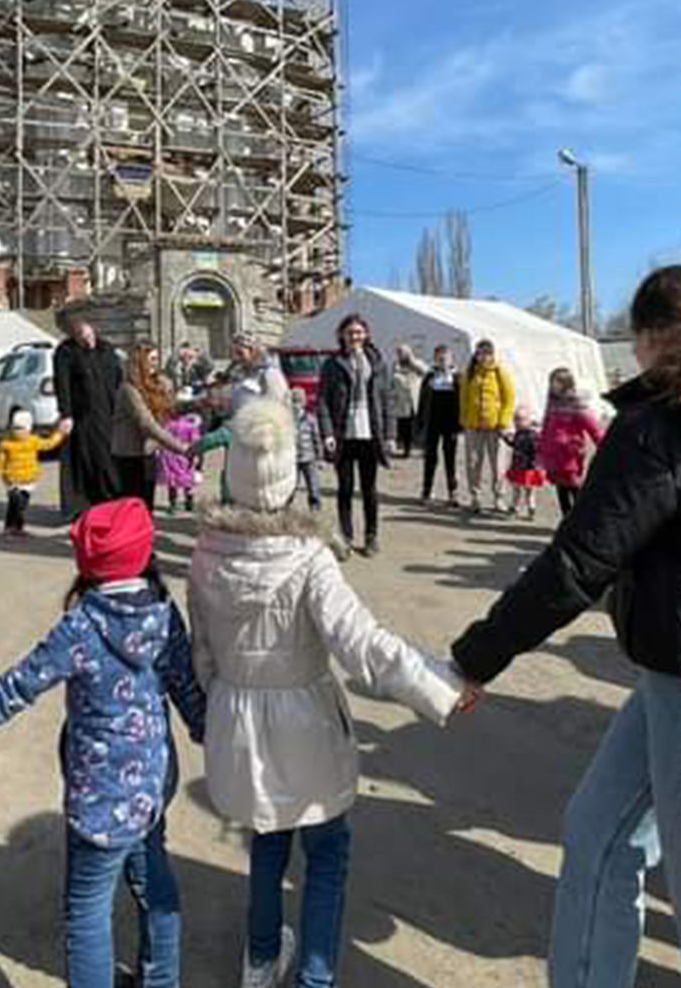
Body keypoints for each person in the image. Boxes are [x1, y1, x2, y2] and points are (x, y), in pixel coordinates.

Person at [451, 266, 681, 988]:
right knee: (599, 837)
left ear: (650, 336)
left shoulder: (665, 425)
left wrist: (475, 658)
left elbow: (577, 562)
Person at [187, 401, 462, 988]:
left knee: (266, 839)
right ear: (289, 474)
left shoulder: (205, 554)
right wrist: (438, 685)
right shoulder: (309, 556)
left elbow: (202, 652)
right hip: (305, 719)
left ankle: (260, 959)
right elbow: (362, 645)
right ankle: (314, 977)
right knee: (327, 852)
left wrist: (219, 706)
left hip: (239, 712)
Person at [0, 498, 206, 988]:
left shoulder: (82, 626)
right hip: (153, 783)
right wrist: (216, 735)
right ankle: (163, 980)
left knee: (87, 910)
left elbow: (14, 689)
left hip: (98, 794)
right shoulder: (163, 612)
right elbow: (190, 694)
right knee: (152, 877)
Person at [315, 313, 395, 558]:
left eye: (359, 332)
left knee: (369, 489)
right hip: (343, 434)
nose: (355, 337)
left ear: (366, 334)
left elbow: (387, 400)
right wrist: (327, 432)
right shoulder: (332, 364)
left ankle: (371, 536)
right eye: (350, 332)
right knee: (345, 488)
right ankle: (346, 538)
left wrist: (390, 434)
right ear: (342, 335)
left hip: (370, 434)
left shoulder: (378, 363)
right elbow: (323, 402)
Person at [54, 312, 127, 514]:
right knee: (86, 457)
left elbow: (119, 379)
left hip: (109, 411)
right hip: (83, 415)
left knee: (109, 456)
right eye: (81, 336)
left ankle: (110, 497)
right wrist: (66, 414)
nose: (87, 340)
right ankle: (83, 503)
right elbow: (62, 384)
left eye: (89, 335)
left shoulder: (107, 349)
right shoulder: (66, 351)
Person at [114, 342, 191, 510]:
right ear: (139, 361)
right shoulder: (129, 389)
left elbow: (171, 408)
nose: (156, 364)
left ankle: (143, 534)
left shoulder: (153, 385)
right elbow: (147, 424)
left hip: (147, 453)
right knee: (132, 506)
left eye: (157, 359)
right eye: (152, 359)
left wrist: (201, 403)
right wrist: (181, 447)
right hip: (129, 455)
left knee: (146, 504)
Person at [0, 410, 67, 536]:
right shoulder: (5, 444)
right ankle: (10, 527)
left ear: (29, 429)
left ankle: (17, 527)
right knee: (15, 502)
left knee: (21, 505)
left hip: (28, 480)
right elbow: (0, 461)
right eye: (15, 428)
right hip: (12, 480)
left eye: (21, 428)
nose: (18, 432)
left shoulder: (33, 441)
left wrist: (60, 434)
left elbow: (49, 444)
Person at [459, 339, 516, 514]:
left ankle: (499, 497)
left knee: (498, 464)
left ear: (492, 354)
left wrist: (504, 421)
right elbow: (464, 398)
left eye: (486, 353)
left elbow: (509, 398)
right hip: (473, 426)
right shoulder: (469, 373)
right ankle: (475, 497)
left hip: (495, 426)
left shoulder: (500, 372)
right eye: (480, 353)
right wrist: (464, 419)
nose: (483, 357)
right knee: (473, 462)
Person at [539, 367, 605, 517]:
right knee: (560, 487)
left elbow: (593, 428)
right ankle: (566, 518)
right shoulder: (552, 403)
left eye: (556, 383)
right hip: (553, 454)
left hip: (571, 454)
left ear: (566, 384)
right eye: (551, 383)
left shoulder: (576, 404)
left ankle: (581, 518)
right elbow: (546, 426)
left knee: (574, 485)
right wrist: (541, 449)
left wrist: (604, 446)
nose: (552, 386)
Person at [415, 344, 462, 505]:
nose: (442, 361)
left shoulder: (458, 377)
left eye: (445, 358)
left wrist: (461, 425)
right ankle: (427, 491)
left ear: (451, 359)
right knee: (430, 459)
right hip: (432, 424)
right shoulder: (429, 377)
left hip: (451, 425)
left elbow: (463, 402)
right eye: (439, 358)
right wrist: (420, 423)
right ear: (435, 359)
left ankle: (452, 493)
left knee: (451, 460)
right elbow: (422, 401)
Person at [502, 405, 546, 521]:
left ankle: (531, 508)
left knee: (529, 491)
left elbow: (537, 452)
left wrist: (536, 464)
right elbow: (514, 445)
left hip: (528, 468)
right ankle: (514, 508)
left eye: (520, 420)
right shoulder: (518, 433)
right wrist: (506, 439)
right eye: (515, 420)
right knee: (516, 490)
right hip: (517, 466)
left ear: (529, 421)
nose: (517, 423)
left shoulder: (533, 436)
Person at [227, 332, 290, 412]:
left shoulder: (269, 374)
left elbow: (278, 406)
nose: (235, 358)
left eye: (240, 353)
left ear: (253, 351)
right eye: (232, 353)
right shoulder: (239, 373)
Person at [158, 411, 206, 514]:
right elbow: (195, 442)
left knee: (172, 482)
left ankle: (173, 504)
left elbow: (162, 439)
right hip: (186, 455)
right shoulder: (191, 426)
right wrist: (197, 456)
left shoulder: (168, 425)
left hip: (170, 455)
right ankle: (189, 503)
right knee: (188, 481)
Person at [291, 387, 323, 511]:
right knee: (291, 486)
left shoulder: (310, 420)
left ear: (303, 403)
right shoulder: (287, 420)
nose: (296, 405)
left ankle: (315, 507)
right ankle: (287, 506)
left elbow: (317, 439)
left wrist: (320, 458)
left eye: (298, 402)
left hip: (309, 458)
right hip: (293, 460)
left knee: (313, 485)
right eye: (293, 402)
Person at [391, 344, 425, 458]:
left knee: (419, 427)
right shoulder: (396, 365)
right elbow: (393, 380)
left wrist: (413, 362)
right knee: (405, 428)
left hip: (415, 400)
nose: (401, 354)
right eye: (399, 352)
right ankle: (406, 450)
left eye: (404, 352)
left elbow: (426, 372)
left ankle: (423, 449)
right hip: (402, 402)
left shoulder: (417, 363)